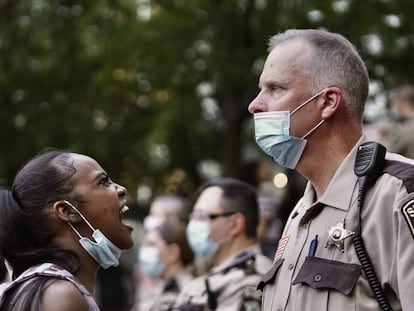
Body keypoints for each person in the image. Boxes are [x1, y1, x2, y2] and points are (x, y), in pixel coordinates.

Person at [249, 28, 414, 310]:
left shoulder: (397, 196)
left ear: (327, 102)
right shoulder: (300, 212)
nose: (255, 105)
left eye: (275, 88)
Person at [0, 149, 134, 310]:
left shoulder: (51, 290)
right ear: (67, 211)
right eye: (103, 182)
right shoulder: (59, 296)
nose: (121, 189)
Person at [175, 177, 272, 310]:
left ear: (235, 224)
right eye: (193, 217)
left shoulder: (252, 279)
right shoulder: (225, 273)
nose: (193, 224)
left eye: (201, 216)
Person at [134, 221, 194, 311]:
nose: (144, 250)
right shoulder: (159, 286)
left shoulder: (184, 290)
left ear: (173, 252)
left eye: (151, 244)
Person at [379, 83, 414, 159]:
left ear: (401, 102)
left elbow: (382, 153)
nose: (394, 108)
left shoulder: (404, 129)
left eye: (394, 103)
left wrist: (383, 134)